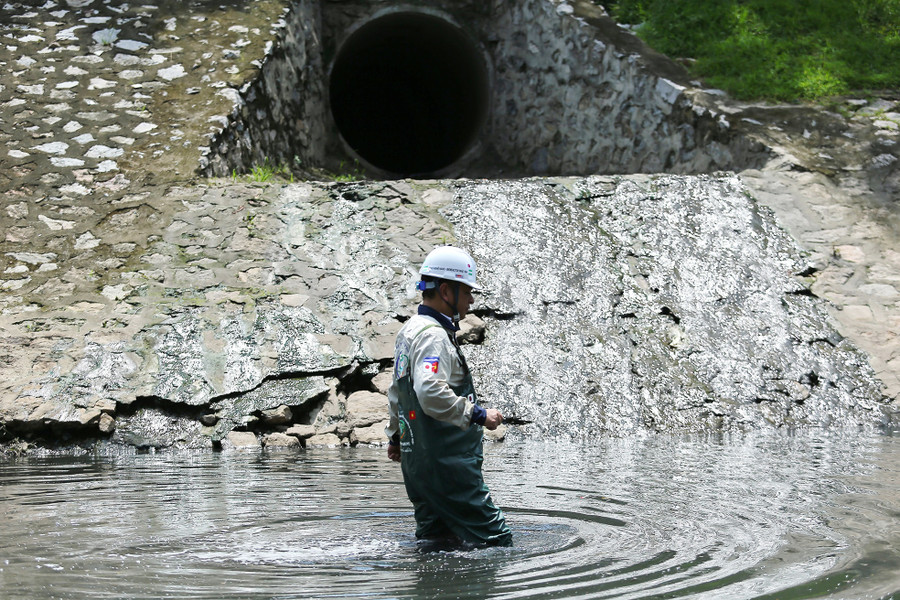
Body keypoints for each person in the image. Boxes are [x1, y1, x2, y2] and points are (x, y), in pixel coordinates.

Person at [385, 246, 512, 547]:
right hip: (447, 466)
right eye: (467, 291)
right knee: (496, 540)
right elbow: (428, 390)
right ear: (445, 290)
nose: (471, 299)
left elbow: (396, 391)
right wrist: (479, 414)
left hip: (418, 465)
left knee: (435, 542)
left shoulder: (410, 331)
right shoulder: (433, 336)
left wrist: (395, 437)